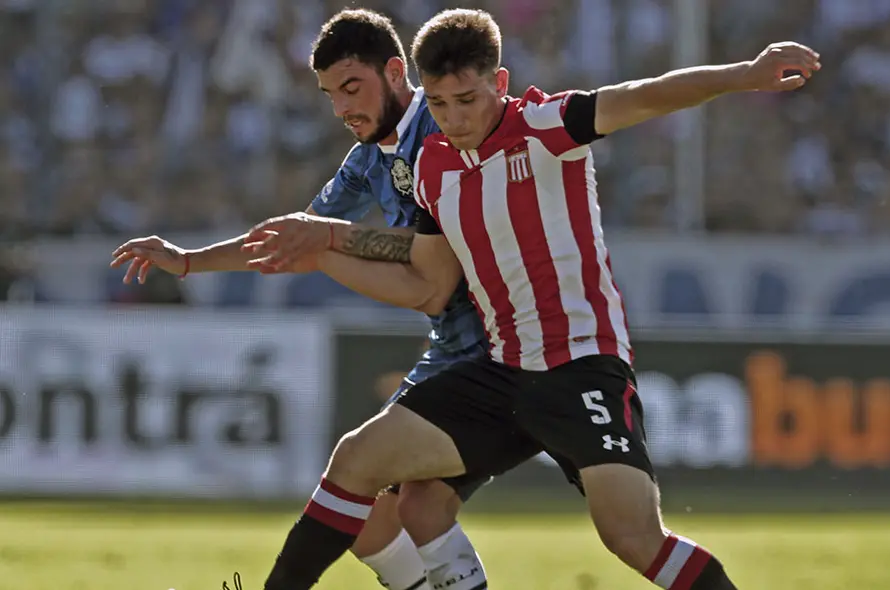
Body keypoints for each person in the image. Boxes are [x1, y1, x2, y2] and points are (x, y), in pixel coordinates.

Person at [244, 8, 820, 590]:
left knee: (633, 538)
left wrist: (742, 74)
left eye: (467, 100)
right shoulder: (433, 167)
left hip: (581, 366)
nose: (455, 119)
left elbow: (644, 96)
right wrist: (318, 249)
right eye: (439, 105)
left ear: (499, 82)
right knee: (365, 468)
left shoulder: (548, 125)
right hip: (501, 372)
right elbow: (428, 279)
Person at [109, 10, 491, 590]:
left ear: (394, 72)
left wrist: (329, 245)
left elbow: (433, 266)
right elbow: (296, 235)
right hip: (451, 349)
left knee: (385, 492)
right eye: (330, 95)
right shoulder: (369, 161)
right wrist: (189, 260)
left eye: (351, 88)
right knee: (371, 523)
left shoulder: (444, 132)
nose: (341, 108)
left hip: (504, 350)